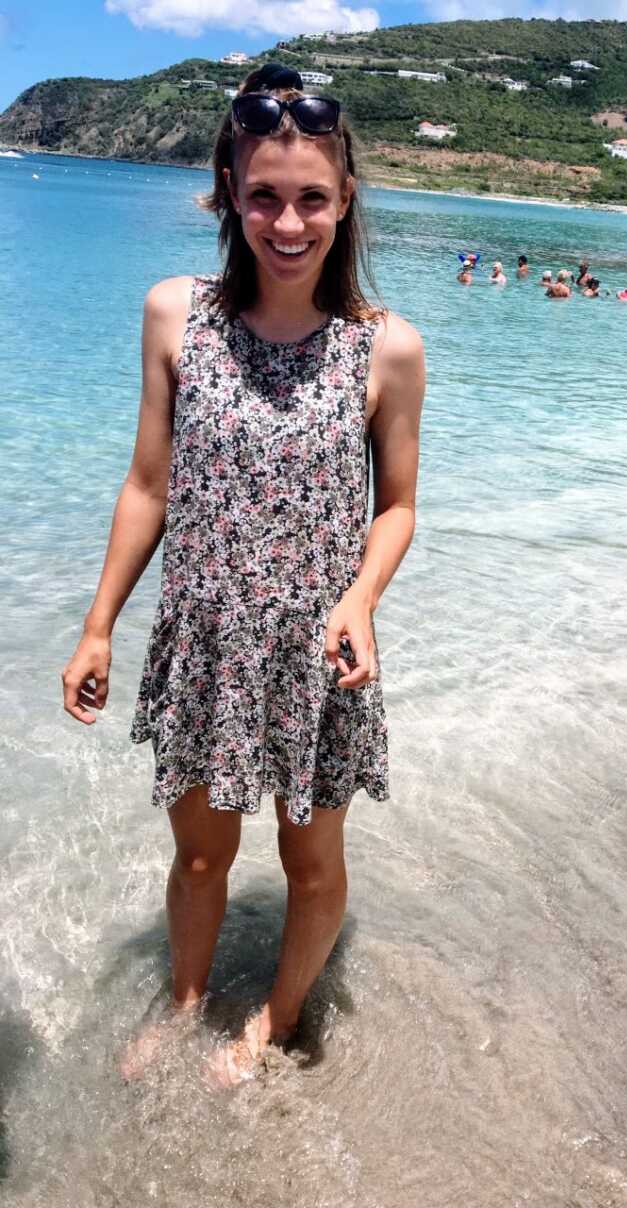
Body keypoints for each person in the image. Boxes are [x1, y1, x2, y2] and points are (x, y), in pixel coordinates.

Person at [61, 62, 426, 1089]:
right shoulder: (175, 315)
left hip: (320, 651)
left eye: (312, 197)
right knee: (200, 856)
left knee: (309, 862)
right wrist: (98, 625)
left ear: (344, 199)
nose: (288, 221)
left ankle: (273, 1013)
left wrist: (359, 599)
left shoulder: (387, 348)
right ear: (228, 187)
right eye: (263, 193)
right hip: (205, 641)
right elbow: (148, 484)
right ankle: (184, 1000)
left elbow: (396, 506)